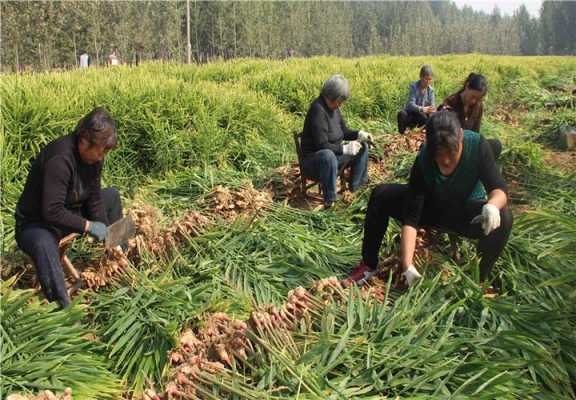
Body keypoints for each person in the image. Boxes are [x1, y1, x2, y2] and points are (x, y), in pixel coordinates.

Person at [345, 111, 513, 290]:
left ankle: (479, 279)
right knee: (381, 194)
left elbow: (499, 188)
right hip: (433, 208)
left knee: (504, 216)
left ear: (461, 137)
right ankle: (368, 264)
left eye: (451, 154)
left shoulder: (478, 146)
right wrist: (407, 265)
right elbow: (412, 217)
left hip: (465, 213)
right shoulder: (424, 159)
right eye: (439, 158)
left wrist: (492, 206)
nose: (446, 162)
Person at [15, 107, 123, 308]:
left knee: (112, 196)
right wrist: (89, 226)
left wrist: (110, 234)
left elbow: (94, 200)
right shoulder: (60, 158)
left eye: (104, 153)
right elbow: (52, 211)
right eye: (99, 152)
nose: (101, 158)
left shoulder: (94, 159)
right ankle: (64, 310)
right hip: (37, 223)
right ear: (83, 139)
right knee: (44, 245)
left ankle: (120, 261)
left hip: (70, 212)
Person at [300, 75, 373, 208]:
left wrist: (359, 134)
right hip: (315, 162)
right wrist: (345, 149)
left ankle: (355, 190)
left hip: (334, 156)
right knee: (328, 155)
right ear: (330, 96)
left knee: (363, 147)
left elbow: (343, 131)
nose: (340, 104)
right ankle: (330, 200)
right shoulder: (317, 110)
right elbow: (321, 145)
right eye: (339, 101)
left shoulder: (334, 108)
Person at [440, 73, 502, 158]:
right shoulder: (449, 104)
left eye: (478, 99)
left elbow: (476, 132)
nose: (474, 101)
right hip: (453, 150)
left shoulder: (478, 106)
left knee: (496, 145)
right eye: (473, 96)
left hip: (469, 147)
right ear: (467, 86)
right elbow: (443, 137)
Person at [397, 65, 436, 134]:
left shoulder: (431, 90)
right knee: (401, 114)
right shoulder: (414, 86)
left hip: (422, 117)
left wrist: (430, 111)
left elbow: (432, 108)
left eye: (430, 79)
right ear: (421, 77)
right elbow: (410, 104)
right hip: (412, 114)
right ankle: (402, 134)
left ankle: (422, 132)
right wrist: (422, 109)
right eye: (426, 79)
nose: (428, 82)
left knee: (426, 118)